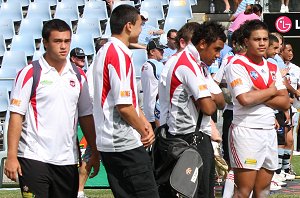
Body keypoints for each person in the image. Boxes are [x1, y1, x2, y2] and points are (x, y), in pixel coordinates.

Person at [4, 19, 100, 197]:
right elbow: (16, 116)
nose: (63, 46)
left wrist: (94, 151)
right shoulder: (30, 73)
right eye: (57, 41)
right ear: (45, 43)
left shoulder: (79, 76)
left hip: (68, 160)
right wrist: (11, 155)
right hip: (33, 157)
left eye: (67, 41)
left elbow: (86, 116)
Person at [92, 5, 159, 198]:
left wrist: (144, 121)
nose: (141, 30)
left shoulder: (105, 50)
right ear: (129, 26)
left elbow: (127, 102)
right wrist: (144, 131)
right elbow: (124, 106)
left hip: (110, 141)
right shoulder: (118, 54)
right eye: (140, 25)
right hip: (122, 141)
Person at [224, 20, 290, 197]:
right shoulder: (237, 64)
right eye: (256, 39)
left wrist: (259, 95)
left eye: (265, 39)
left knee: (263, 191)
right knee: (244, 191)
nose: (262, 43)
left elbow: (285, 102)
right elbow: (245, 99)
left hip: (269, 131)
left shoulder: (272, 66)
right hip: (247, 132)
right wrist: (270, 91)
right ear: (246, 41)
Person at [141, 39, 166, 130]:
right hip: (157, 112)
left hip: (148, 110)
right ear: (152, 51)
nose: (163, 52)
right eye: (160, 50)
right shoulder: (158, 65)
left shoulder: (144, 65)